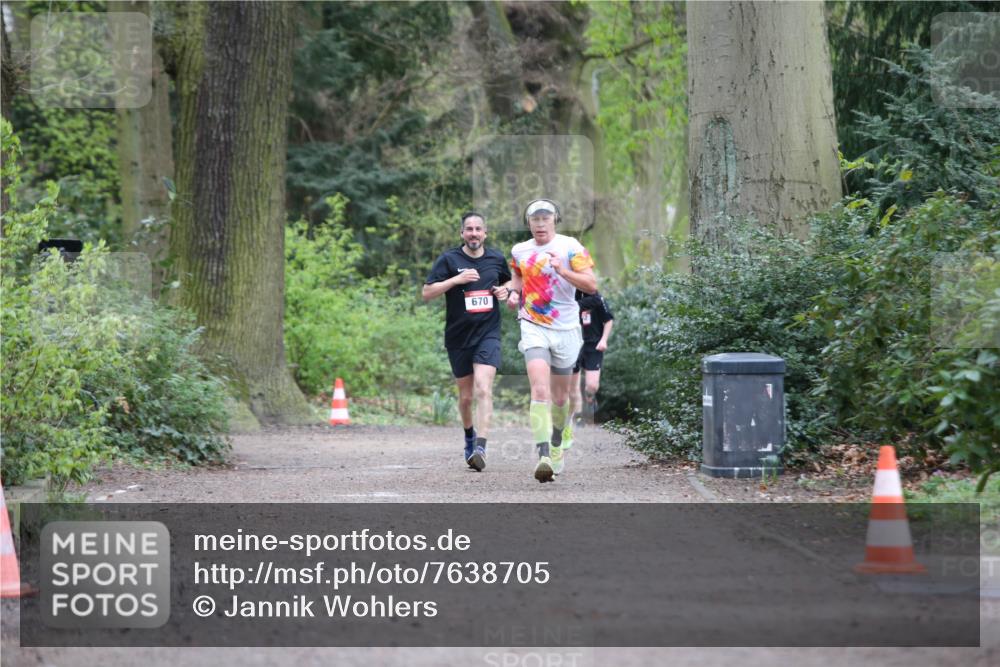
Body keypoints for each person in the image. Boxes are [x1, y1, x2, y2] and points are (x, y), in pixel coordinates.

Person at [505, 199, 597, 483]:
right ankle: (543, 455)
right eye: (535, 219)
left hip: (567, 329)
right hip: (533, 325)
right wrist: (512, 293)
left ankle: (558, 444)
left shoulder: (571, 247)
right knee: (540, 391)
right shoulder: (520, 250)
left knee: (561, 399)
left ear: (555, 220)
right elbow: (517, 276)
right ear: (529, 223)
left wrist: (563, 270)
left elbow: (591, 285)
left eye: (545, 218)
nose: (540, 224)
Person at [423, 212, 511, 472]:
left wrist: (506, 290)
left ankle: (481, 448)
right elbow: (427, 292)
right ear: (462, 233)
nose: (474, 233)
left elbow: (507, 281)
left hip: (488, 333)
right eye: (469, 229)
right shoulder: (449, 259)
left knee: (484, 389)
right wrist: (456, 280)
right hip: (458, 336)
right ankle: (469, 436)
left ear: (485, 233)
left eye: (478, 229)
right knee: (466, 397)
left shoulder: (496, 258)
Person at [562, 290, 614, 449]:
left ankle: (590, 398)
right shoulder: (568, 295)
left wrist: (604, 340)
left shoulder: (596, 296)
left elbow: (608, 320)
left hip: (594, 345)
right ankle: (568, 424)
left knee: (592, 386)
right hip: (573, 344)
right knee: (572, 390)